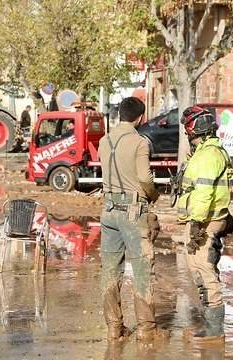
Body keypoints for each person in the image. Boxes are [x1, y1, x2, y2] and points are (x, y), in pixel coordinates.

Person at [98, 97, 162, 343]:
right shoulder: (139, 142)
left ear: (120, 115)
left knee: (110, 270)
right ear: (140, 118)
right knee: (143, 269)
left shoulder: (105, 141)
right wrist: (154, 195)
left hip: (108, 209)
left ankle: (115, 328)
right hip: (133, 211)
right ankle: (147, 330)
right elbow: (145, 178)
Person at [177, 105, 233, 342]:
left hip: (206, 221)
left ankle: (214, 331)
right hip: (205, 219)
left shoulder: (208, 155)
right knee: (199, 269)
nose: (186, 133)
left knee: (204, 270)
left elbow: (203, 193)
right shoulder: (207, 152)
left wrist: (197, 225)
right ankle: (210, 325)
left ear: (194, 129)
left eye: (186, 128)